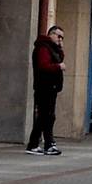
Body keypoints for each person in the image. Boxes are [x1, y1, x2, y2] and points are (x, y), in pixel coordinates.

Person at [26, 25, 66, 156]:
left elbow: (59, 58)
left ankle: (34, 144)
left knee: (45, 116)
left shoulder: (53, 48)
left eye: (62, 37)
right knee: (47, 116)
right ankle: (48, 144)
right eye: (58, 36)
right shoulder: (43, 48)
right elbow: (43, 65)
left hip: (51, 87)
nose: (60, 39)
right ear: (51, 34)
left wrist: (60, 48)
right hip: (44, 87)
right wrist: (58, 66)